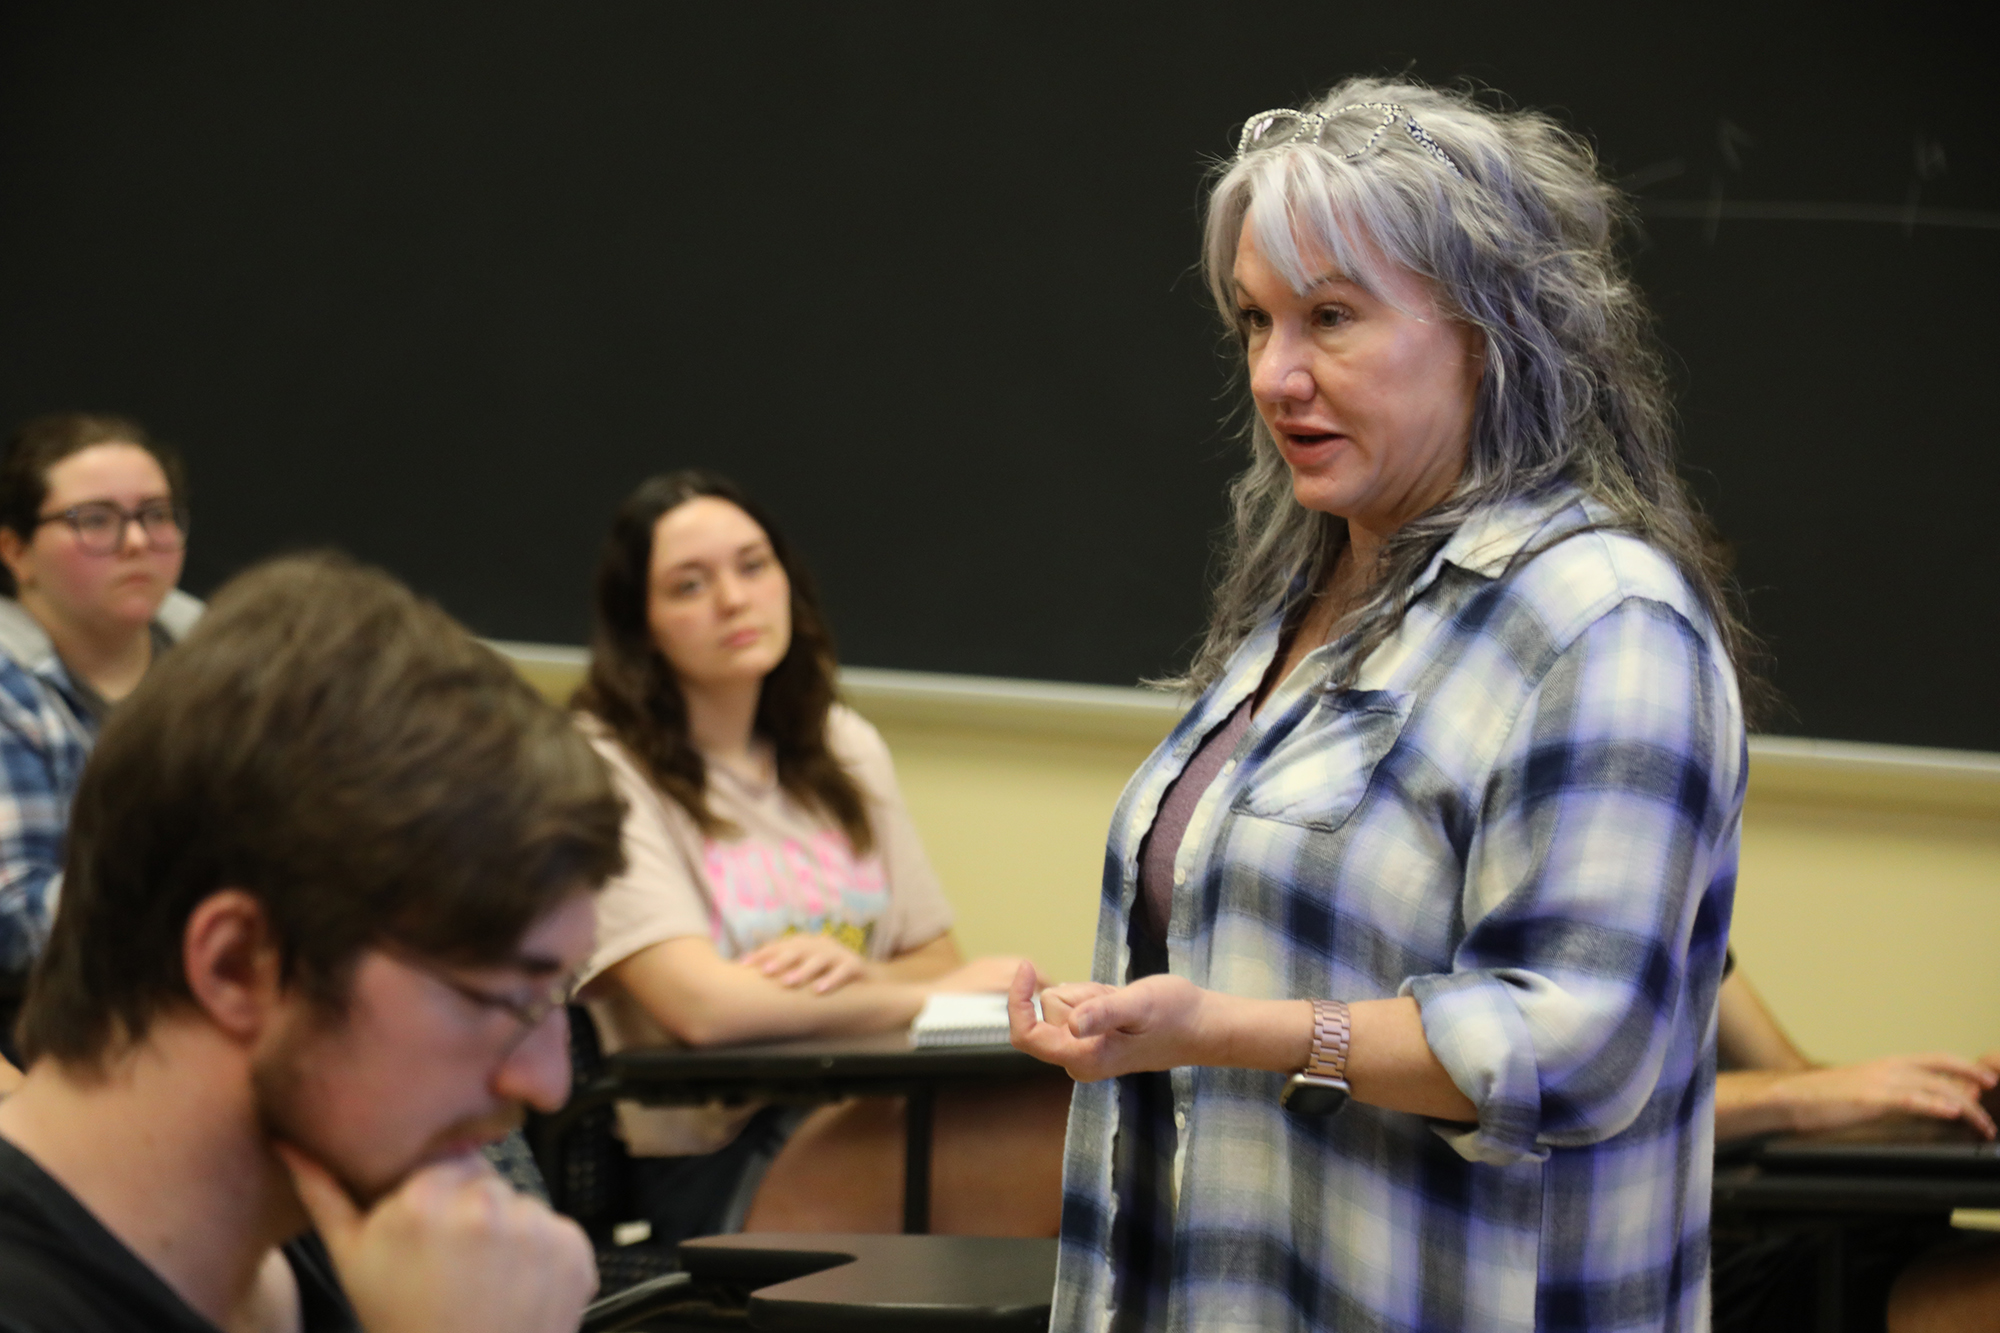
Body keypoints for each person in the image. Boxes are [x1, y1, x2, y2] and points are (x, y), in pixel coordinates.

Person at [1006, 79, 1753, 1330]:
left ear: (1491, 330)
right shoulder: (1311, 583)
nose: (1275, 373)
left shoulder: (1602, 619)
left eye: (1331, 317)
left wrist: (1234, 1029)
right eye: (1254, 320)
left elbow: (1574, 1050)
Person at [0, 552, 627, 1333]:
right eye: (501, 999)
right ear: (237, 964)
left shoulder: (349, 1252)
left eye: (554, 996)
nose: (547, 1084)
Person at [572, 470, 1069, 1245]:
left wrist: (868, 976)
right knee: (1059, 1127)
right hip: (723, 1158)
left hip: (873, 1100)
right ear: (640, 623)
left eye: (753, 566)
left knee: (1082, 1091)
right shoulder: (602, 768)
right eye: (690, 584)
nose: (733, 599)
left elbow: (935, 954)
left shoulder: (842, 744)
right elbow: (703, 1008)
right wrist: (919, 995)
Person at [0, 412, 202, 1061]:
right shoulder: (10, 690)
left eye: (157, 515)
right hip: (64, 1034)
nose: (138, 541)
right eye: (95, 519)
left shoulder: (230, 658)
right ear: (16, 551)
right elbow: (13, 929)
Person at [1712, 962, 2000, 1332]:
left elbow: (1790, 1072)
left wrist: (1957, 1100)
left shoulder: (1690, 929)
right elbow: (1629, 1112)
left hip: (1826, 1227)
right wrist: (1787, 1097)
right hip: (1694, 1262)